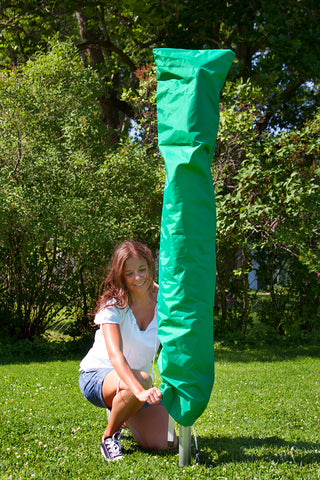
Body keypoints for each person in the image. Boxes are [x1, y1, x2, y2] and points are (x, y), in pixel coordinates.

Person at [79, 240, 177, 461]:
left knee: (166, 442)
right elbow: (116, 356)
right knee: (142, 379)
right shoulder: (114, 304)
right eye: (129, 273)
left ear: (150, 267)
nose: (137, 278)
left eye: (142, 270)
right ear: (120, 275)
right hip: (99, 377)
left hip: (138, 387)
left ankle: (124, 411)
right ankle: (109, 436)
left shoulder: (165, 301)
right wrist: (140, 391)